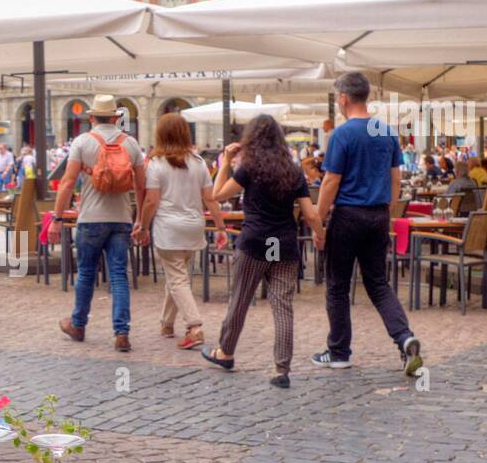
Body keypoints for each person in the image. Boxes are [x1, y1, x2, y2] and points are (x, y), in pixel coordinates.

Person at [200, 116, 325, 389]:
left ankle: (226, 352)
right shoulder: (293, 171)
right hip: (283, 243)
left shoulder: (249, 167)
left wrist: (226, 161)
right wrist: (320, 233)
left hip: (255, 241)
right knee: (282, 307)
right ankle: (282, 369)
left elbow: (218, 194)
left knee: (240, 300)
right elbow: (310, 213)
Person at [313, 70, 422, 376]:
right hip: (377, 215)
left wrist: (318, 222)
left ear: (343, 98)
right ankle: (404, 337)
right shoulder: (386, 131)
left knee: (337, 286)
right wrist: (386, 210)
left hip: (347, 216)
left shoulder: (342, 135)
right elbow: (396, 178)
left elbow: (331, 181)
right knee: (378, 284)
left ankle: (339, 352)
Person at [50, 94, 147, 353]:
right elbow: (141, 185)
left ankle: (78, 325)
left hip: (91, 218)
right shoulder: (132, 144)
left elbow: (68, 183)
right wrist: (141, 220)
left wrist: (57, 219)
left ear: (91, 117)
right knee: (118, 275)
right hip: (121, 219)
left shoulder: (82, 142)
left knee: (86, 273)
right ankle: (122, 332)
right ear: (116, 117)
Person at [137, 112, 227, 350]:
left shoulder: (156, 163)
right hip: (193, 227)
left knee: (177, 279)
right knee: (178, 277)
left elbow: (150, 202)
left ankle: (194, 326)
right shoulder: (198, 162)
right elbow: (211, 199)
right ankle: (166, 324)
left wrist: (143, 226)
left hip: (169, 229)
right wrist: (220, 227)